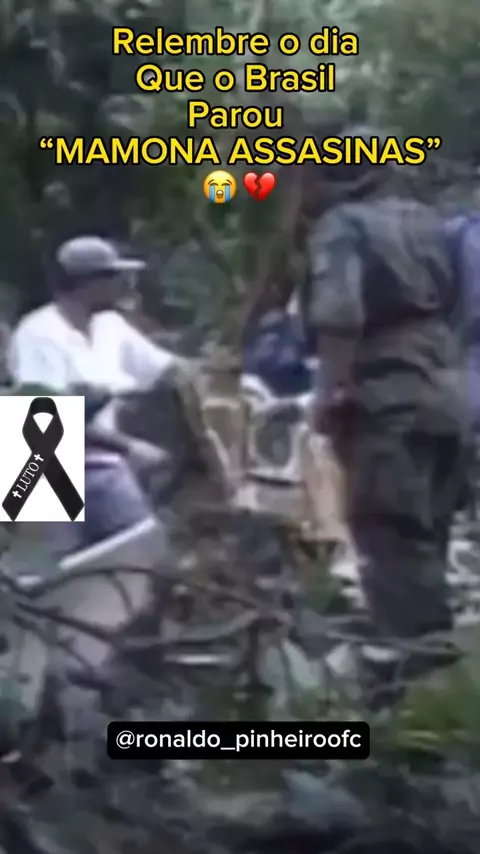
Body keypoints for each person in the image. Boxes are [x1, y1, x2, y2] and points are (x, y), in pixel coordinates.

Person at [302, 129, 471, 705]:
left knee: (391, 537)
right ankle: (435, 675)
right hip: (444, 386)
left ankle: (421, 687)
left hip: (386, 393)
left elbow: (340, 314)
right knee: (429, 533)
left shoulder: (343, 226)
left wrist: (328, 393)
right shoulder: (432, 224)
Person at [8, 235, 180, 554]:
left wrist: (218, 374)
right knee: (57, 562)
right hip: (45, 458)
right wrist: (130, 446)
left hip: (102, 456)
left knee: (137, 543)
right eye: (113, 277)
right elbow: (46, 416)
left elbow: (167, 369)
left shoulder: (110, 325)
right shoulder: (38, 333)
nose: (121, 285)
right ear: (89, 283)